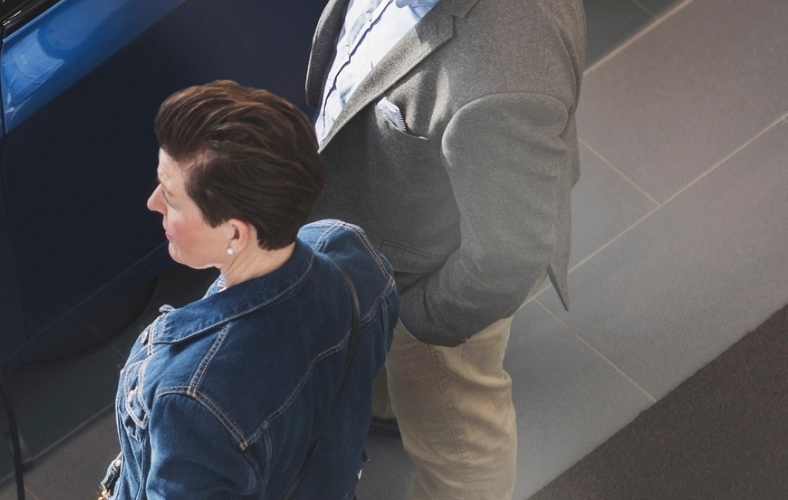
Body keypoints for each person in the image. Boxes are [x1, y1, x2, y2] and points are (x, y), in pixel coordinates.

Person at [304, 0, 585, 497]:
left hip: (430, 278)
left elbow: (506, 255)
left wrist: (420, 319)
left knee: (458, 438)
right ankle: (389, 402)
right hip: (389, 229)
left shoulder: (502, 71)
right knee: (401, 377)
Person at [102, 81, 400, 499]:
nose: (153, 202)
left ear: (236, 233)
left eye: (171, 197)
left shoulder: (190, 400)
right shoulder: (348, 251)